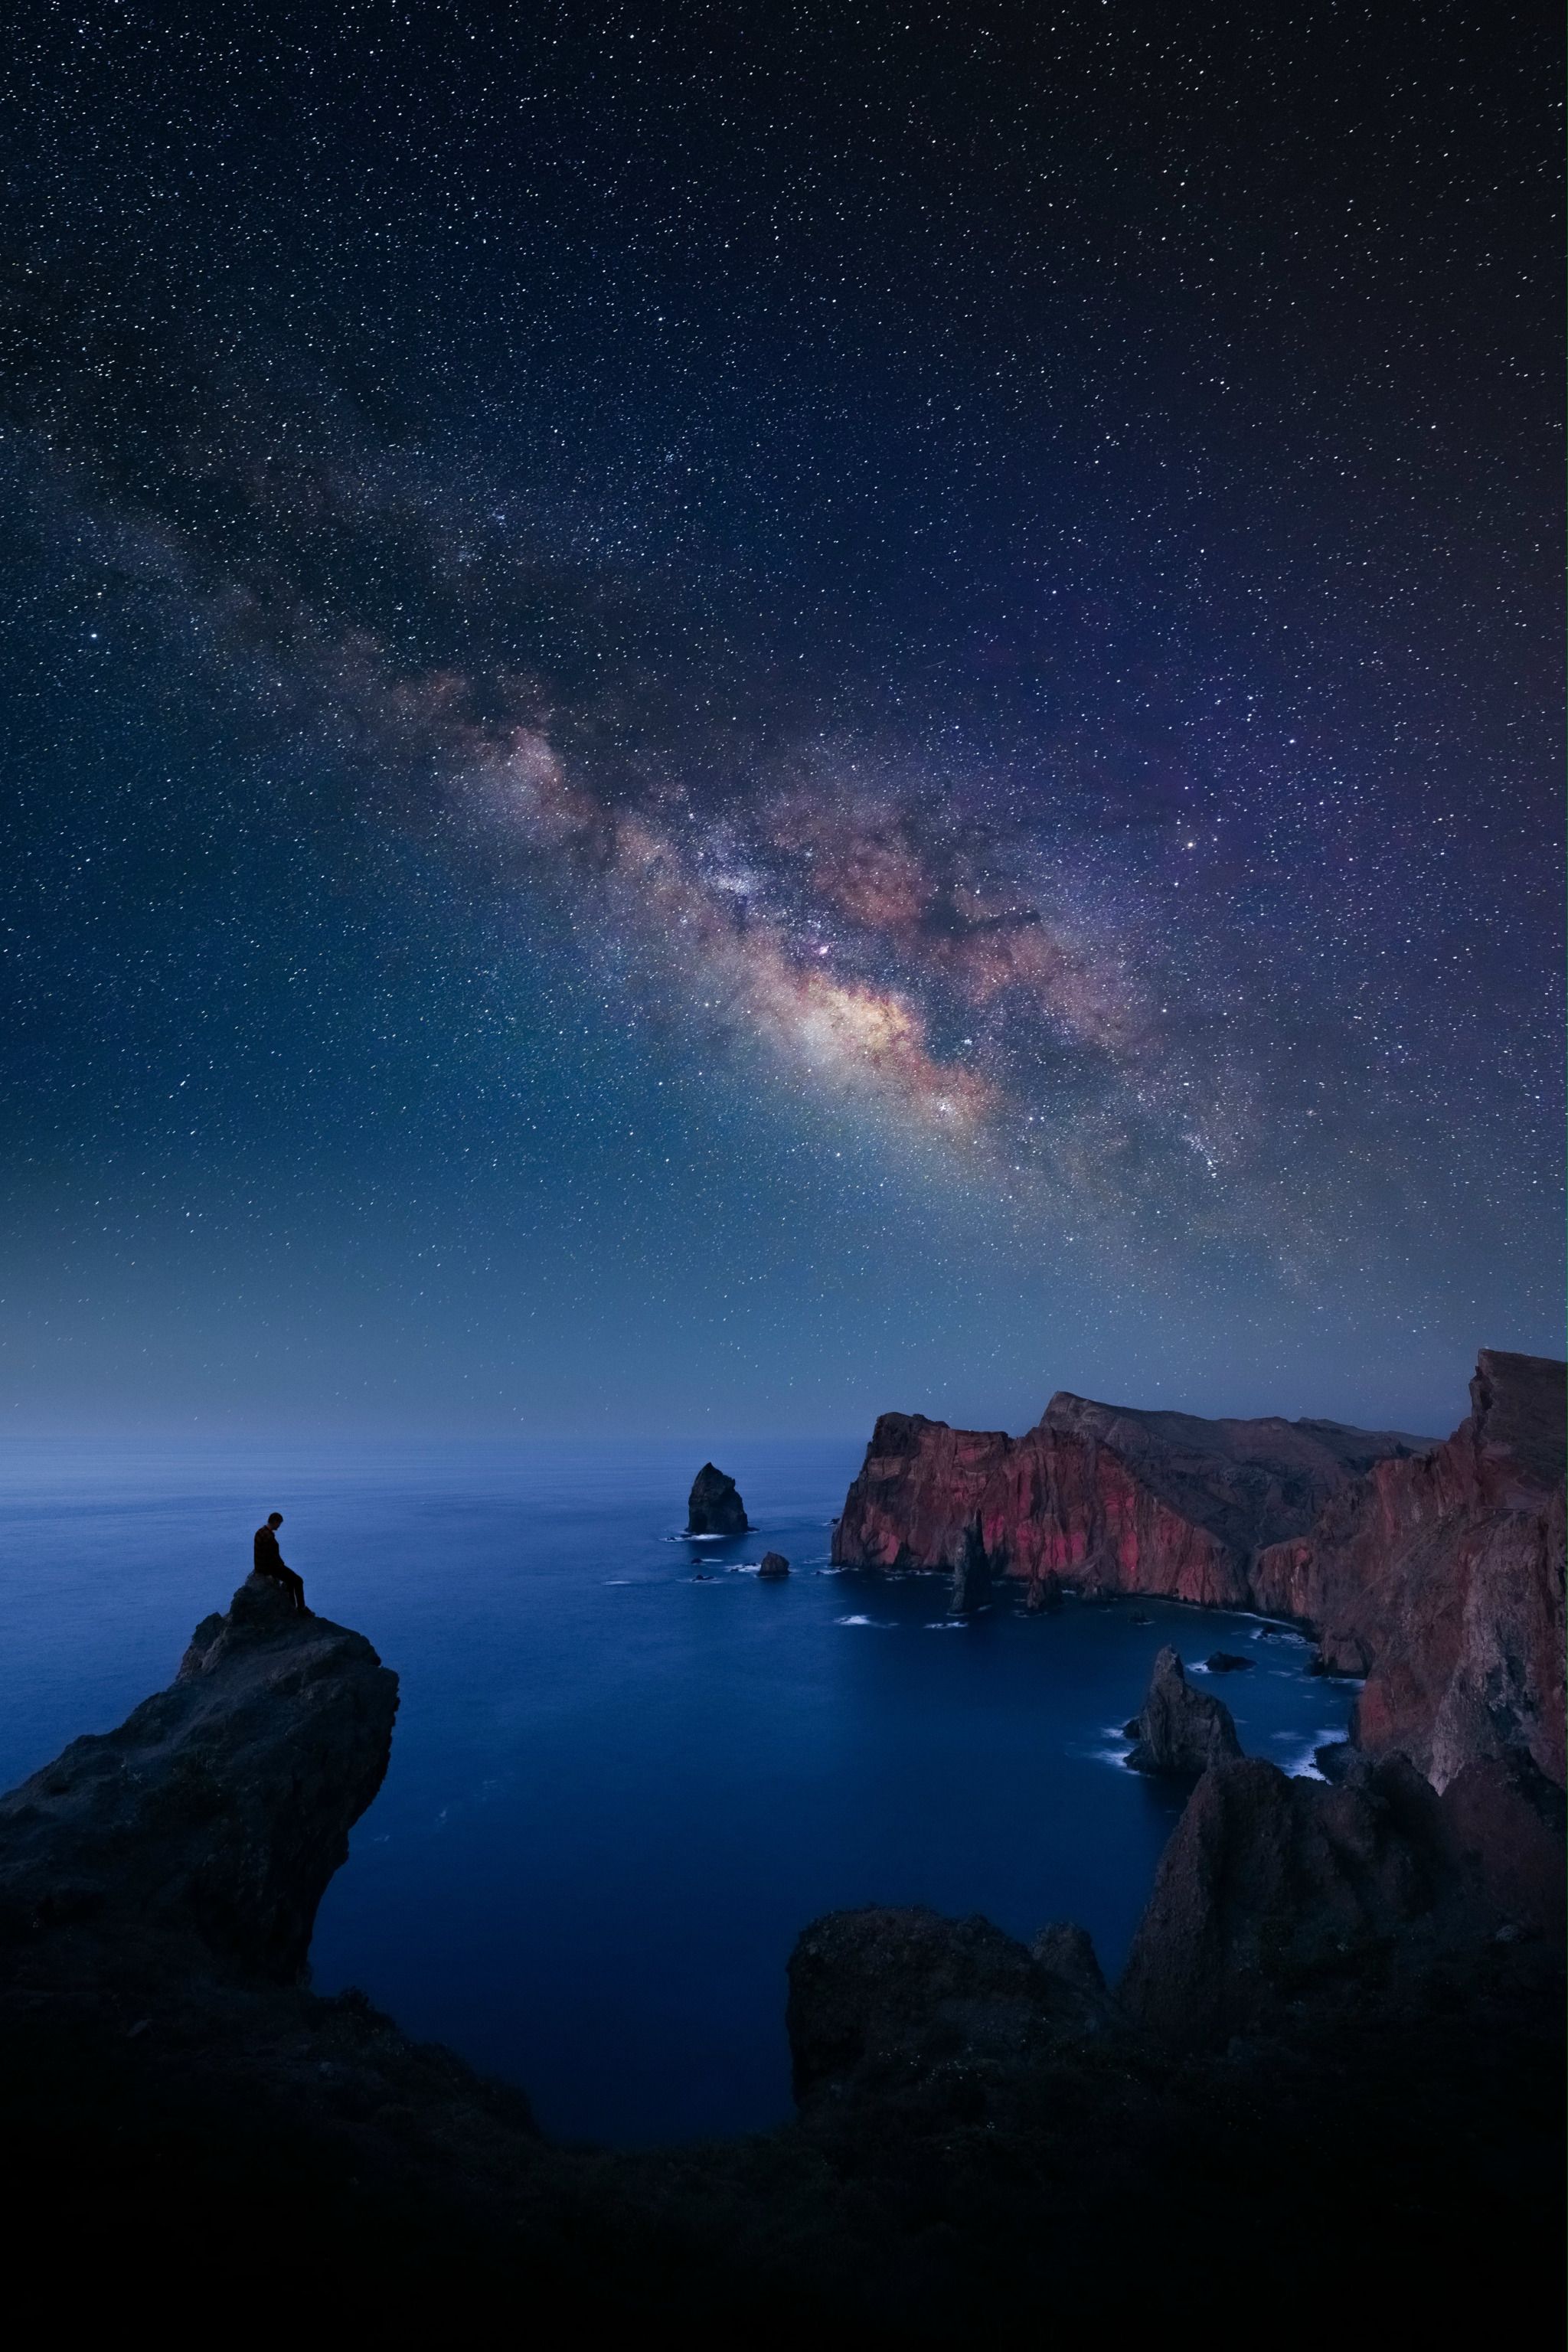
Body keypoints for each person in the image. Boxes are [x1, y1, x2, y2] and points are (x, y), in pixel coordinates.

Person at [253, 1512, 308, 1613]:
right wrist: (269, 1573)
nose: (279, 1526)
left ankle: (292, 1605)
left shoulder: (260, 1532)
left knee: (290, 1581)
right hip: (271, 1568)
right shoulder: (268, 1537)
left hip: (263, 1566)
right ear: (274, 1522)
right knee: (299, 1581)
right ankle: (301, 1608)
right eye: (279, 1524)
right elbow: (269, 1556)